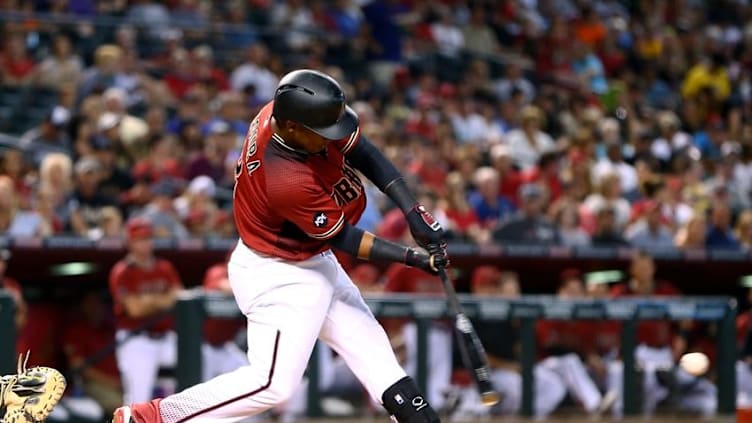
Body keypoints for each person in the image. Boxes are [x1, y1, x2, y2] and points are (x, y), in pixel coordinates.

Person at [113, 69, 449, 423]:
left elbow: (362, 150)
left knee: (373, 351)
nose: (330, 138)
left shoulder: (288, 113)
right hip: (279, 272)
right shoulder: (284, 178)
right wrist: (412, 257)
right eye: (321, 133)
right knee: (272, 384)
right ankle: (149, 418)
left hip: (310, 258)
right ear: (289, 127)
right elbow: (345, 237)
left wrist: (412, 209)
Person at [109, 218, 184, 406]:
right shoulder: (123, 271)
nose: (146, 243)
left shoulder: (165, 267)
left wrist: (149, 301)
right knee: (138, 399)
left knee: (190, 378)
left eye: (148, 238)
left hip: (166, 338)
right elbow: (135, 310)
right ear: (130, 242)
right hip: (136, 339)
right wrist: (164, 300)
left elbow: (180, 298)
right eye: (140, 239)